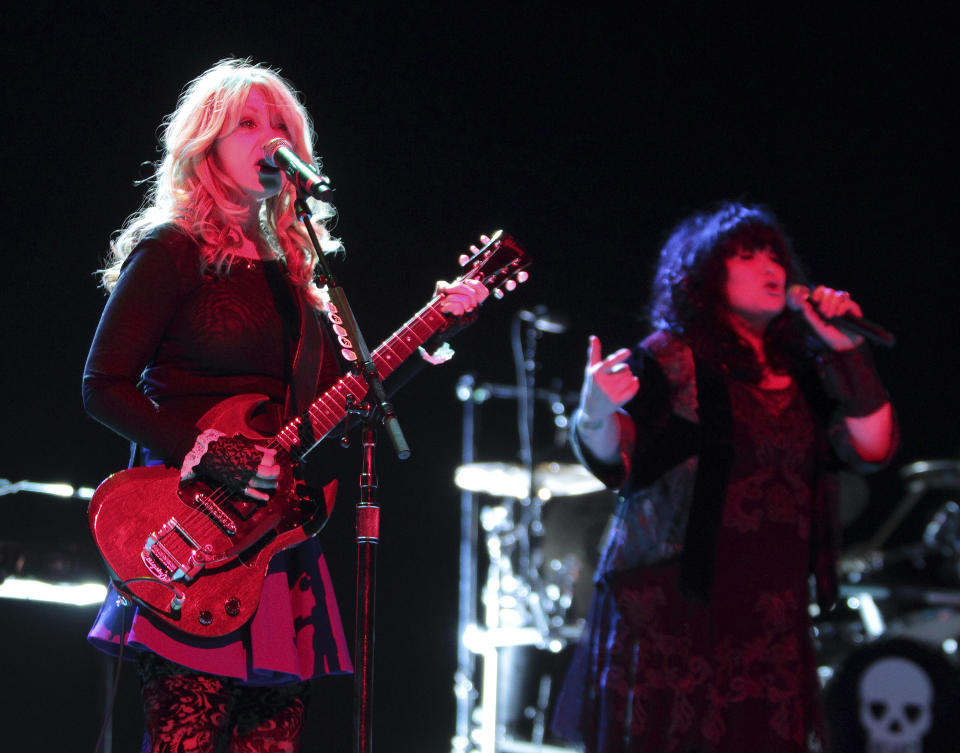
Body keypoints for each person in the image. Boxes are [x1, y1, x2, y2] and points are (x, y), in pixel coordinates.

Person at [82, 58, 488, 753]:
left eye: (281, 125)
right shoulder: (173, 250)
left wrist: (433, 331)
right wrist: (208, 451)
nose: (268, 137)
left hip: (272, 542)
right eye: (247, 123)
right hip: (190, 530)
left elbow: (344, 403)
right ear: (206, 143)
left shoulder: (302, 274)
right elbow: (103, 383)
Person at [553, 202, 896, 753]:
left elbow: (872, 446)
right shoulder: (669, 358)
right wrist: (593, 414)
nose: (771, 267)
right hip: (675, 611)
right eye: (746, 254)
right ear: (706, 273)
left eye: (775, 255)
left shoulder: (806, 369)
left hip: (769, 615)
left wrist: (846, 348)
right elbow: (619, 461)